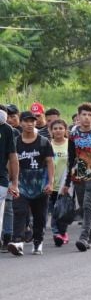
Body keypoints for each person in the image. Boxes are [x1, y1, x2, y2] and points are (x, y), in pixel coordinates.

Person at [62, 103, 91, 252]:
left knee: (89, 205)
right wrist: (67, 183)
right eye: (84, 115)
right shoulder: (73, 135)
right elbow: (71, 159)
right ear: (78, 116)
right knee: (83, 206)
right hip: (78, 174)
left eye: (90, 115)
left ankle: (83, 237)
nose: (87, 118)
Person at [8, 111, 54, 256]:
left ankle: (38, 242)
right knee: (19, 211)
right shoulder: (15, 142)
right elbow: (10, 162)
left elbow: (50, 163)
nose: (29, 124)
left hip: (39, 183)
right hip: (20, 182)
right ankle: (18, 242)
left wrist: (50, 182)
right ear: (21, 123)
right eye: (26, 121)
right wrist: (12, 181)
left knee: (39, 215)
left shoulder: (43, 142)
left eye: (32, 121)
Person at [0, 107, 19, 250]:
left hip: (1, 179)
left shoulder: (7, 130)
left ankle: (7, 235)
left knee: (4, 210)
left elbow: (13, 158)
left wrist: (14, 182)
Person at [50, 119, 70, 246]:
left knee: (63, 211)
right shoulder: (47, 144)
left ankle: (63, 232)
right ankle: (57, 233)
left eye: (60, 128)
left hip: (66, 184)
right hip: (51, 183)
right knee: (53, 210)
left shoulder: (70, 144)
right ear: (51, 131)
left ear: (65, 130)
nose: (58, 131)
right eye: (55, 128)